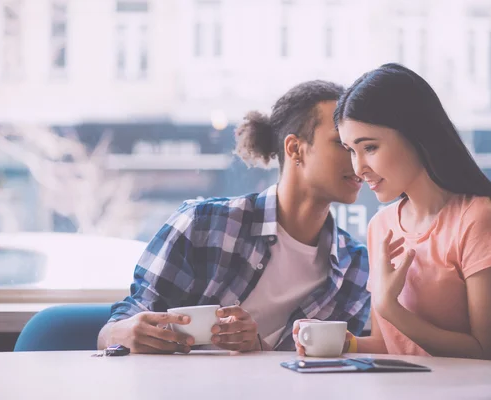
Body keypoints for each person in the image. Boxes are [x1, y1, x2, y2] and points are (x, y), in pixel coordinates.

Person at [97, 80, 371, 354]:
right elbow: (121, 324)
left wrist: (258, 347)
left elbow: (330, 369)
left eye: (362, 147)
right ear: (295, 149)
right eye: (342, 145)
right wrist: (117, 333)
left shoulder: (355, 268)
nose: (360, 161)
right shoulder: (201, 225)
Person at [294, 64, 491, 363]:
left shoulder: (479, 220)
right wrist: (345, 344)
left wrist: (391, 309)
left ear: (417, 135)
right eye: (350, 150)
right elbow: (392, 346)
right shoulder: (381, 226)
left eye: (369, 147)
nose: (358, 168)